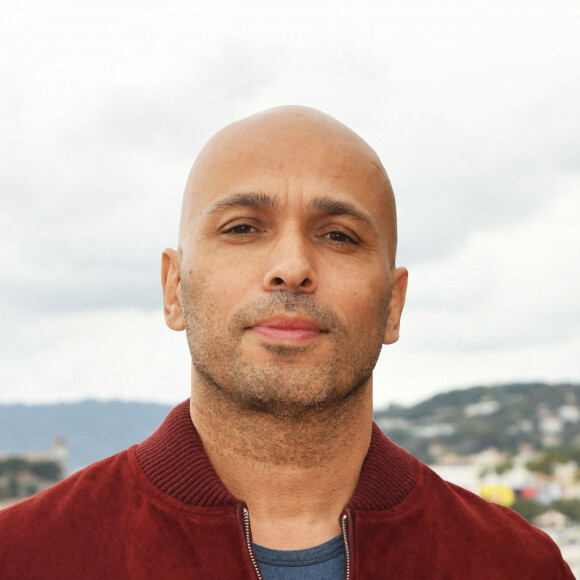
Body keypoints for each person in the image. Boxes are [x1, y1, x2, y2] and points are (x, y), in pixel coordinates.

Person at [0, 106, 572, 579]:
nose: (292, 267)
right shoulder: (24, 557)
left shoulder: (517, 566)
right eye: (243, 228)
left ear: (393, 305)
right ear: (174, 289)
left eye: (339, 235)